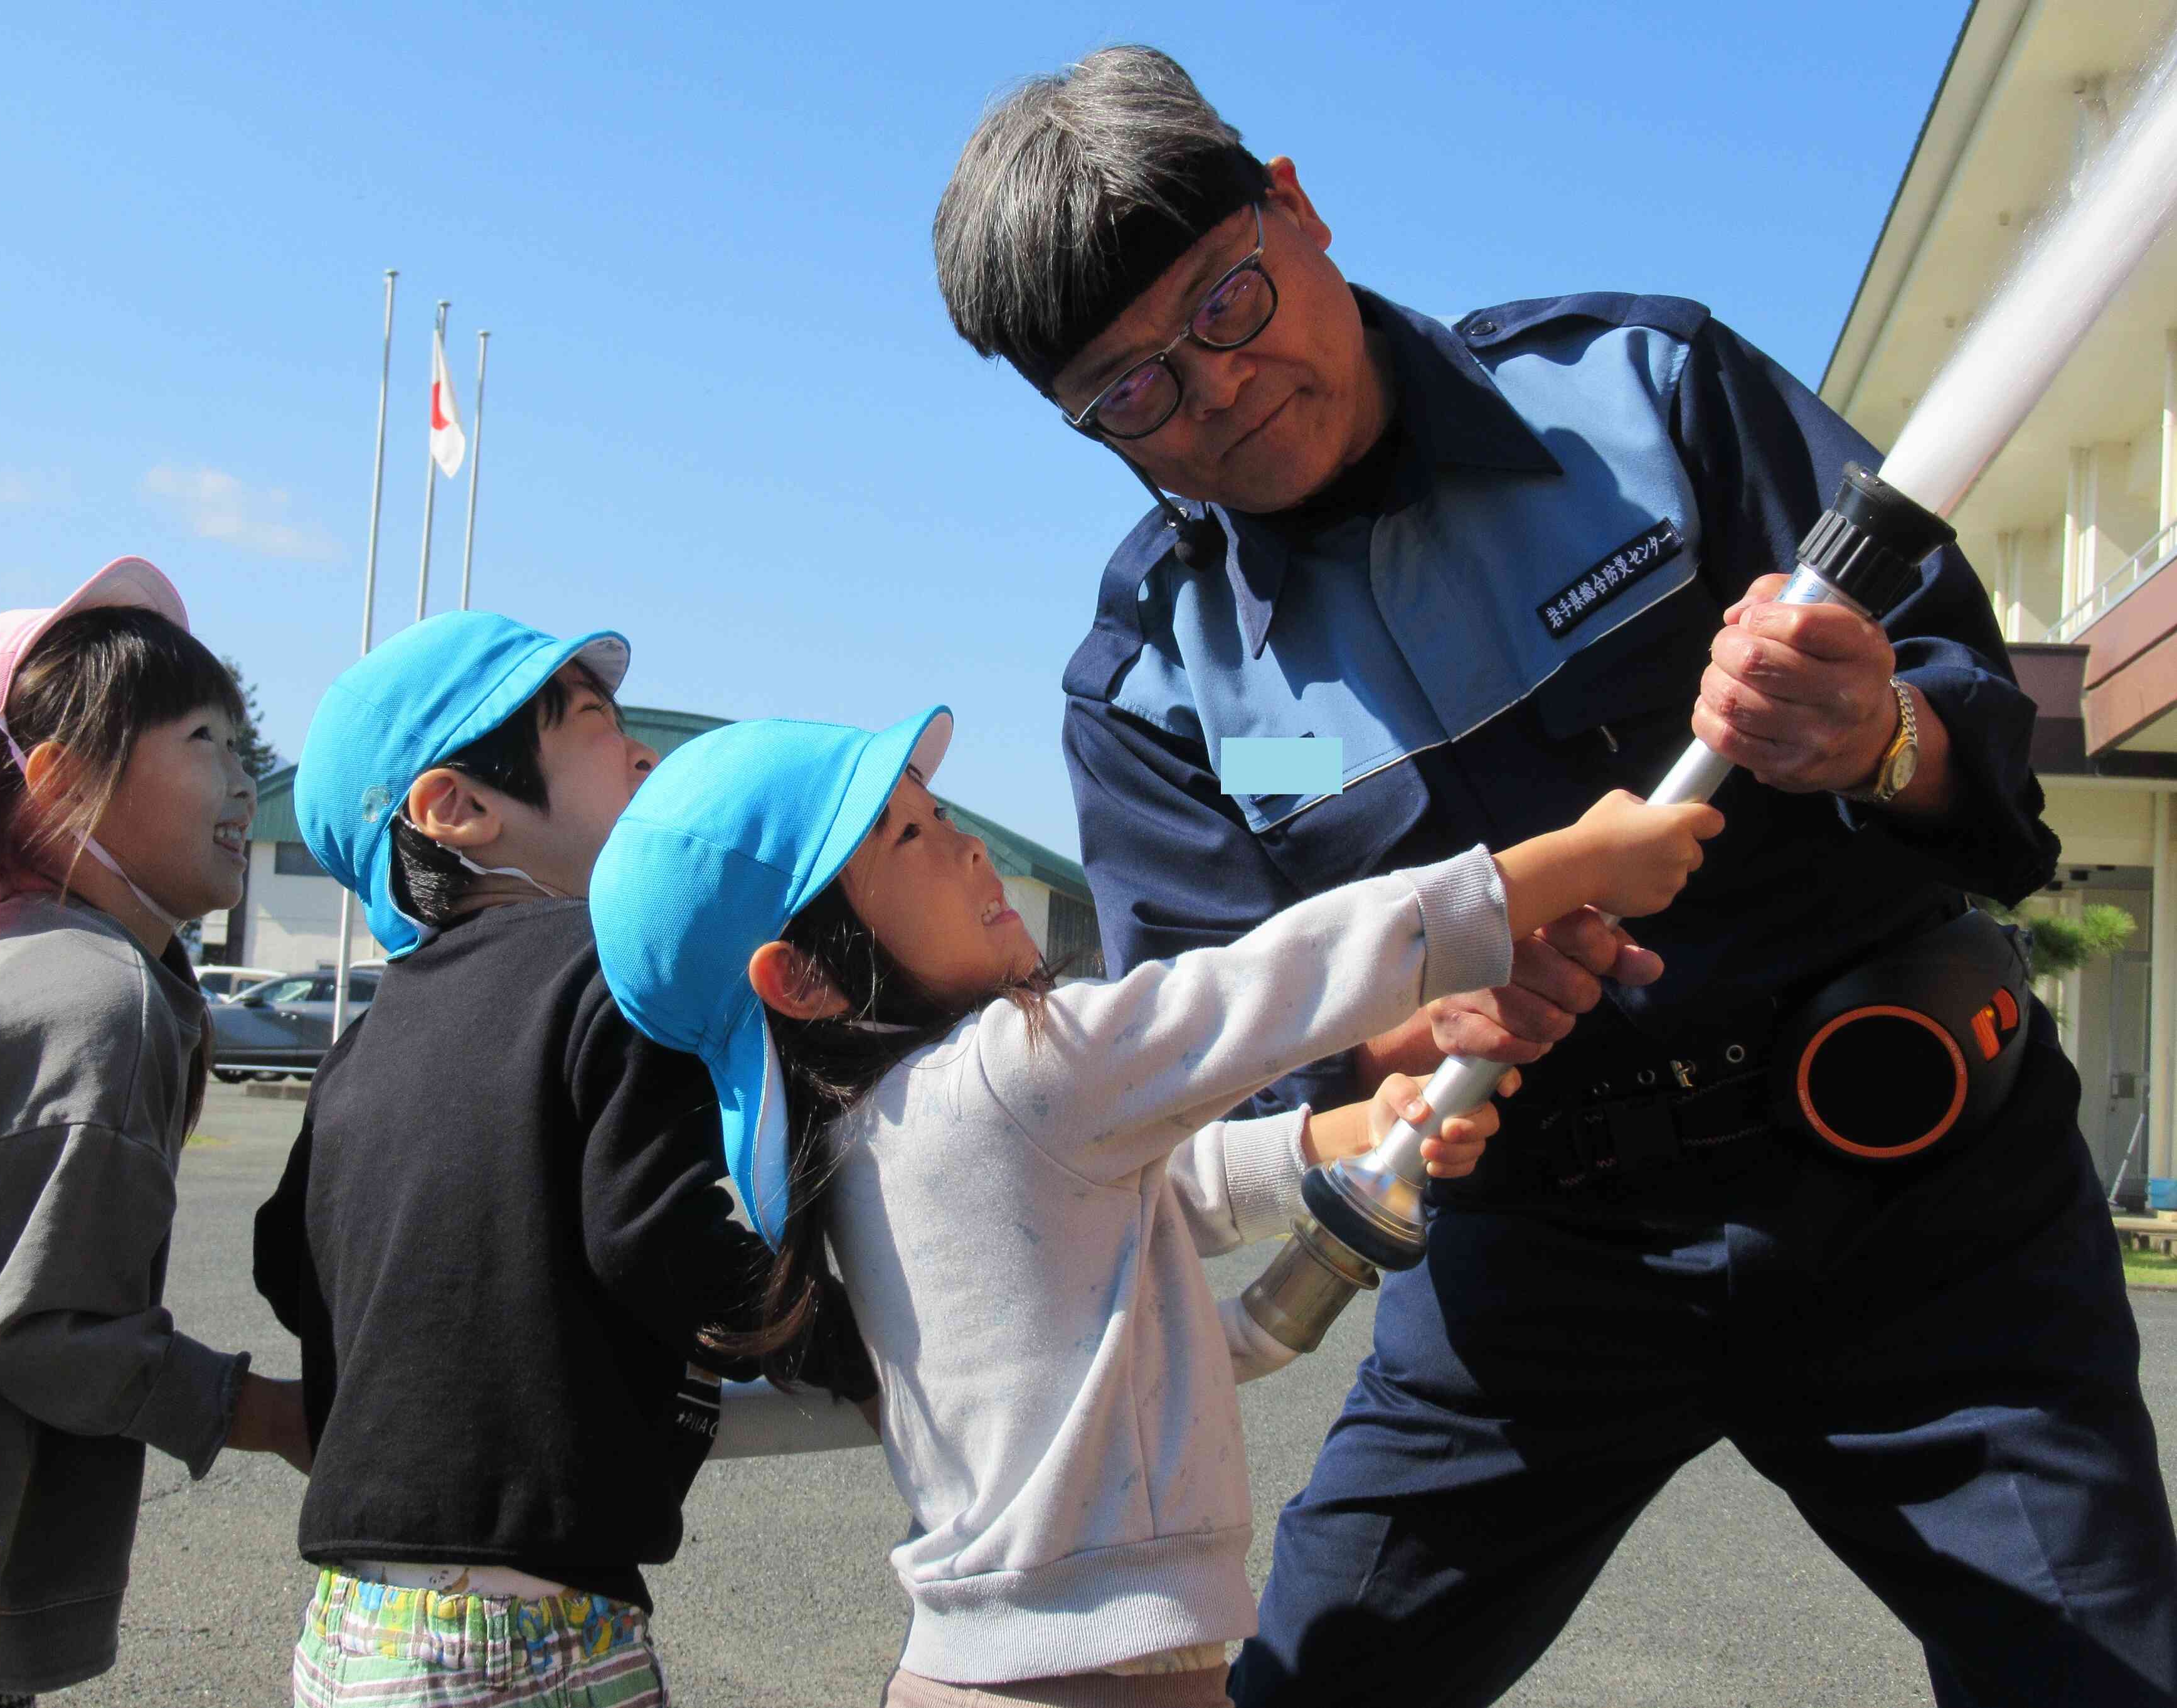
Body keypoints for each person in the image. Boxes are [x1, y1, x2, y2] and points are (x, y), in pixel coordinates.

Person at [931, 45, 2177, 1708]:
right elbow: (1216, 1045)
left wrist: (1872, 734)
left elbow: (1988, 765)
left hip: (1912, 1188)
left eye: (1222, 304)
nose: (1210, 387)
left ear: (1289, 208)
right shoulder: (1149, 690)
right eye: (1129, 391)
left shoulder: (1644, 398)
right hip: (1535, 1259)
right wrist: (1401, 1009)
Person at [587, 705, 1719, 1705]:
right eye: (910, 836)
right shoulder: (1011, 1069)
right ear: (805, 978)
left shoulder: (879, 1136)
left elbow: (1139, 1194)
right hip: (1089, 1682)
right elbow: (1266, 984)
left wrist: (1350, 1133)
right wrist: (1557, 866)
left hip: (975, 1667)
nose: (970, 843)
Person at [250, 610, 874, 1708]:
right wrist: (840, 1340)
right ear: (459, 808)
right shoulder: (609, 971)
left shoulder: (365, 1042)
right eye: (592, 723)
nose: (642, 754)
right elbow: (659, 1234)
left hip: (349, 1621)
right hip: (525, 1628)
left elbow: (281, 1259)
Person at [0, 560, 312, 1704]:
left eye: (245, 745)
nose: (246, 780)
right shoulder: (97, 995)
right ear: (68, 778)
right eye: (206, 742)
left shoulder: (5, 961)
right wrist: (270, 1413)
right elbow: (51, 1331)